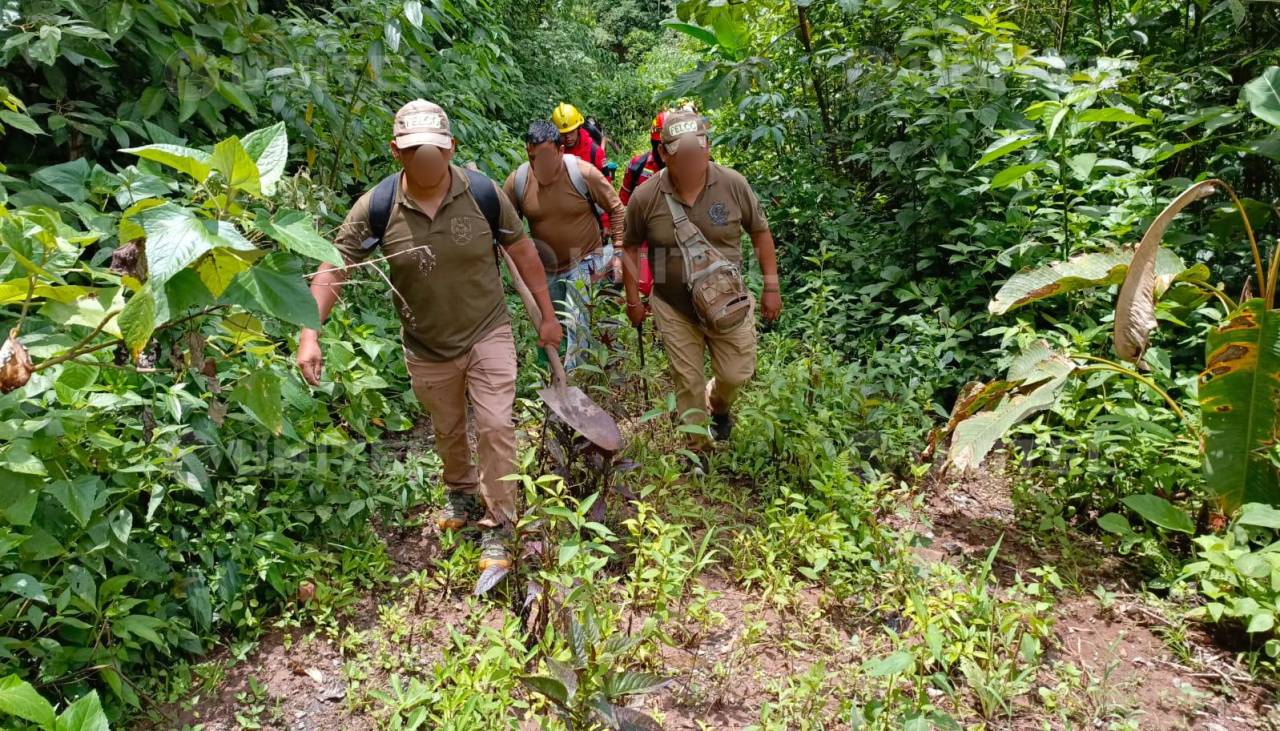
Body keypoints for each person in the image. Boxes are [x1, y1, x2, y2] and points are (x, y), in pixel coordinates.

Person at [295, 100, 562, 571]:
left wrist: (547, 315)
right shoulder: (376, 207)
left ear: (450, 148)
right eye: (415, 149)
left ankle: (500, 526)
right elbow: (335, 266)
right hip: (426, 344)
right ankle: (461, 493)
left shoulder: (481, 193)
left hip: (487, 330)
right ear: (397, 151)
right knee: (448, 428)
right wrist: (309, 334)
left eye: (434, 149)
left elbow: (522, 253)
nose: (426, 158)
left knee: (497, 425)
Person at [621, 111, 782, 448]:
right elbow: (631, 248)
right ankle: (698, 453)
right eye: (685, 153)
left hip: (727, 302)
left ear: (708, 147)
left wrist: (771, 286)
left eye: (700, 149)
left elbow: (760, 233)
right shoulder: (646, 197)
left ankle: (719, 404)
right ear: (664, 154)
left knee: (736, 374)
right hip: (673, 306)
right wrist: (633, 300)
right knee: (687, 382)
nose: (695, 158)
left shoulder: (732, 184)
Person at [504, 121, 625, 369]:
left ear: (560, 151)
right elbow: (505, 226)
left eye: (546, 156)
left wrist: (619, 250)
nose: (539, 164)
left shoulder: (583, 173)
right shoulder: (519, 181)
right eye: (532, 157)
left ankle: (577, 382)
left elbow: (616, 209)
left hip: (586, 260)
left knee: (577, 326)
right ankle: (550, 379)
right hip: (546, 269)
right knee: (549, 332)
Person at [619, 110, 670, 298]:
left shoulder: (687, 170)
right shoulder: (638, 165)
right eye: (659, 145)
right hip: (643, 240)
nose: (662, 152)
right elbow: (622, 203)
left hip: (676, 240)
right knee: (643, 289)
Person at [551, 102, 608, 175]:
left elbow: (606, 182)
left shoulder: (595, 152)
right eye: (563, 133)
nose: (567, 137)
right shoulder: (552, 152)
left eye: (571, 131)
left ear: (579, 128)